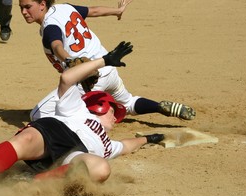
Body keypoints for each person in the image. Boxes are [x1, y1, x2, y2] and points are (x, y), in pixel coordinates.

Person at [0, 41, 164, 192]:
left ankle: (30, 182)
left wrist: (149, 138)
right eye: (112, 111)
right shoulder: (77, 107)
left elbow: (126, 146)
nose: (115, 117)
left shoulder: (108, 144)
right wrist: (104, 60)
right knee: (27, 139)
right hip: (56, 131)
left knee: (101, 168)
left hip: (75, 155)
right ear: (100, 105)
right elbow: (66, 78)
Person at [18, 0, 196, 121]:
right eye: (21, 7)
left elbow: (56, 46)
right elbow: (94, 11)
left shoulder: (49, 26)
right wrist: (117, 11)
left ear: (42, 4)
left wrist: (70, 60)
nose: (24, 12)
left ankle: (89, 119)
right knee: (127, 103)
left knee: (37, 115)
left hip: (89, 80)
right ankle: (158, 107)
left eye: (27, 6)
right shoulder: (65, 7)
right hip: (109, 68)